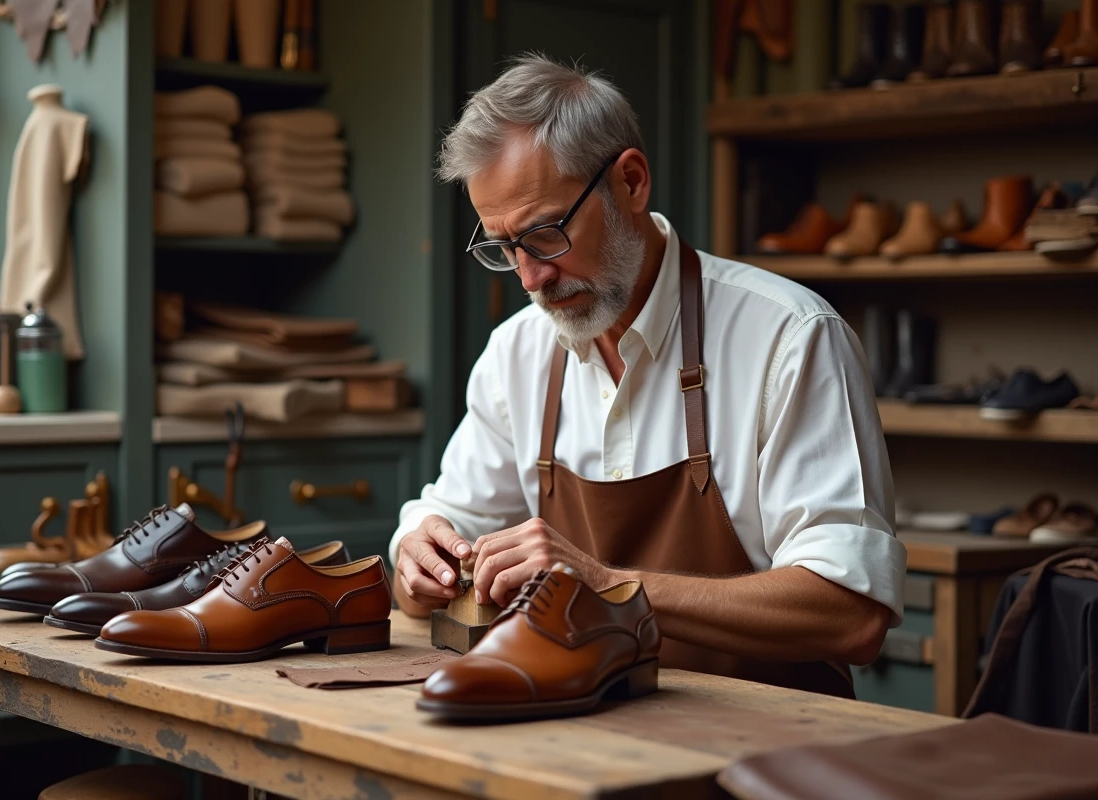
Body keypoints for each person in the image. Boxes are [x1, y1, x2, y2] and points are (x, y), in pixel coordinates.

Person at [388, 54, 905, 696]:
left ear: (631, 182)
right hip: (580, 740)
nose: (530, 278)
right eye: (504, 247)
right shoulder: (516, 355)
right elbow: (441, 527)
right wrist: (420, 555)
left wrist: (609, 587)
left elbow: (851, 613)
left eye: (547, 233)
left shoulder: (789, 337)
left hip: (769, 757)